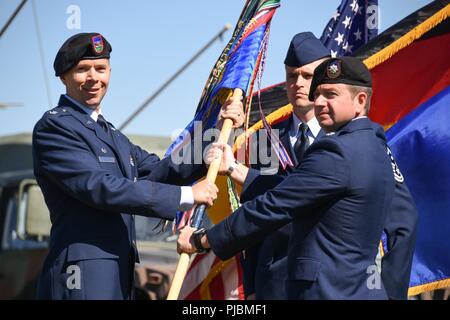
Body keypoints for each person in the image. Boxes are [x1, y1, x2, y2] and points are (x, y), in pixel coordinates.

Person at [32, 32, 243, 300]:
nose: (93, 78)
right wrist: (188, 195)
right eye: (82, 70)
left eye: (101, 68)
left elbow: (159, 171)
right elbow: (100, 187)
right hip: (82, 274)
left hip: (117, 271)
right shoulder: (55, 128)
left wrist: (216, 134)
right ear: (63, 77)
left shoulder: (109, 133)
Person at [178, 56, 406, 299]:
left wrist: (204, 239)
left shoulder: (335, 150)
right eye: (317, 94)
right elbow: (296, 190)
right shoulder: (378, 146)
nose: (318, 102)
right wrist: (234, 168)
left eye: (330, 94)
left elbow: (276, 204)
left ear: (360, 100)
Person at [223, 32, 329, 299]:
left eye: (307, 75)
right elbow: (255, 218)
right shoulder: (263, 140)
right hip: (273, 283)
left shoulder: (343, 139)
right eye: (292, 76)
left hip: (327, 281)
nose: (299, 84)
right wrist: (252, 287)